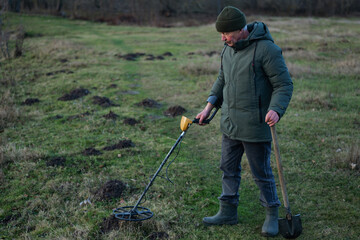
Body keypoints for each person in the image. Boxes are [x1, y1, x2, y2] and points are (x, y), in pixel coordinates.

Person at [196, 6, 293, 237]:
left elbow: (284, 84)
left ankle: (271, 213)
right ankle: (227, 211)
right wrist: (208, 106)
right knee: (228, 168)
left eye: (226, 33)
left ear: (241, 30)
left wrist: (276, 110)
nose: (222, 38)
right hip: (230, 123)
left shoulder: (267, 50)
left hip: (256, 124)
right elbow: (222, 79)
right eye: (221, 34)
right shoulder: (227, 49)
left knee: (261, 172)